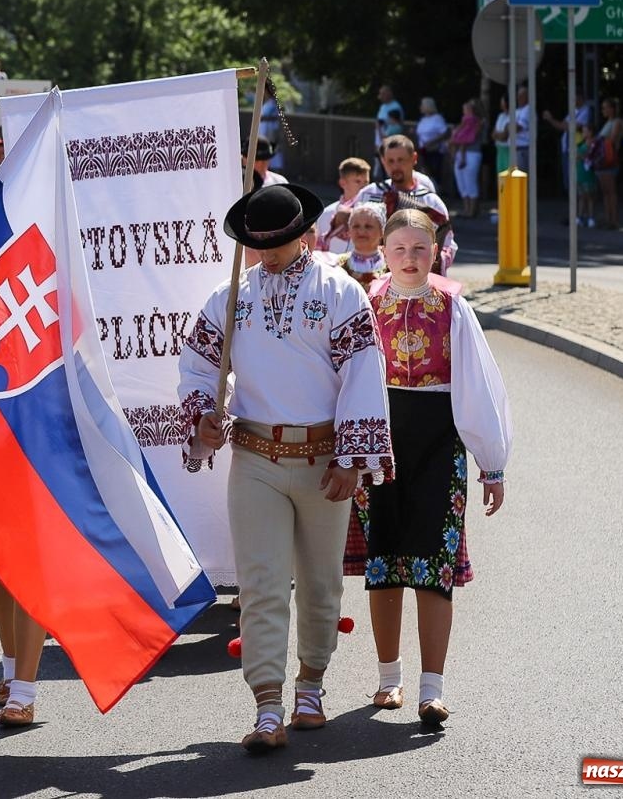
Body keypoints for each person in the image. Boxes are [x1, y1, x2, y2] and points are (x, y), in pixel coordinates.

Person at [177, 183, 392, 753]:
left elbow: (364, 374)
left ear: (305, 235)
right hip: (255, 457)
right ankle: (267, 704)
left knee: (320, 585)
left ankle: (312, 685)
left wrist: (351, 459)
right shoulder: (229, 297)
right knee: (262, 582)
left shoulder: (341, 291)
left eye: (277, 242)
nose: (266, 253)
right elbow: (198, 362)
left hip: (325, 460)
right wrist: (202, 411)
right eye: (256, 243)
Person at [360, 209, 510, 726]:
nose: (408, 259)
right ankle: (388, 680)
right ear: (383, 252)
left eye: (419, 249)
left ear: (436, 254)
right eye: (399, 248)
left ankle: (432, 688)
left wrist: (492, 464)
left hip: (437, 444)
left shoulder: (452, 307)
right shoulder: (366, 302)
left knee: (433, 566)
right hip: (379, 441)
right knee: (384, 563)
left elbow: (478, 386)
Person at [355, 135, 457, 274]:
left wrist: (434, 259)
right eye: (390, 161)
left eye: (401, 160)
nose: (395, 166)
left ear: (414, 158)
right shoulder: (369, 194)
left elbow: (448, 246)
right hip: (372, 274)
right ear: (383, 161)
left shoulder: (431, 202)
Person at [314, 157, 371, 255]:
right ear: (342, 183)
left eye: (366, 182)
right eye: (357, 181)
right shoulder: (326, 214)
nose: (363, 187)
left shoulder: (372, 215)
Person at [590, 97, 623, 230]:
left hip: (610, 160)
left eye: (605, 107)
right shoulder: (607, 123)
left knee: (611, 191)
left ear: (612, 109)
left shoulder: (617, 122)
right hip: (602, 162)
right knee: (605, 192)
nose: (603, 110)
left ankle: (614, 220)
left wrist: (598, 141)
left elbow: (613, 139)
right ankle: (608, 218)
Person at [337, 202, 388, 290]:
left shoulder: (392, 264)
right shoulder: (338, 264)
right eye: (356, 226)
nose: (361, 231)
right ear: (349, 231)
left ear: (381, 232)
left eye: (368, 226)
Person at [448, 100, 484, 218]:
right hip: (461, 153)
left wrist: (457, 138)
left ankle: (472, 210)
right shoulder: (465, 121)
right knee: (462, 181)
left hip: (472, 153)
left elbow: (469, 138)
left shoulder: (478, 122)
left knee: (470, 181)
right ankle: (466, 208)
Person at [414, 97, 450, 192]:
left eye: (422, 105)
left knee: (434, 174)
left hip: (434, 151)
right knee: (425, 173)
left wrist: (432, 142)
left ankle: (436, 192)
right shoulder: (423, 119)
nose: (420, 107)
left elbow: (445, 133)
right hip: (423, 150)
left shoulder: (438, 119)